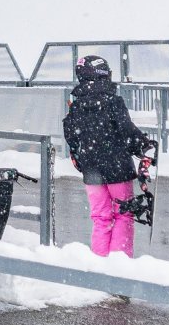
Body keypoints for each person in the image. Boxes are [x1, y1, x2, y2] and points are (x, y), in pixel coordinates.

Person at [62, 54, 154, 257]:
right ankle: (119, 265)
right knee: (124, 214)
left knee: (101, 217)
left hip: (91, 170)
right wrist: (144, 145)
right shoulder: (113, 101)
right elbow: (126, 131)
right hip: (117, 168)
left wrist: (83, 158)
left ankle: (99, 263)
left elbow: (71, 135)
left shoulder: (76, 105)